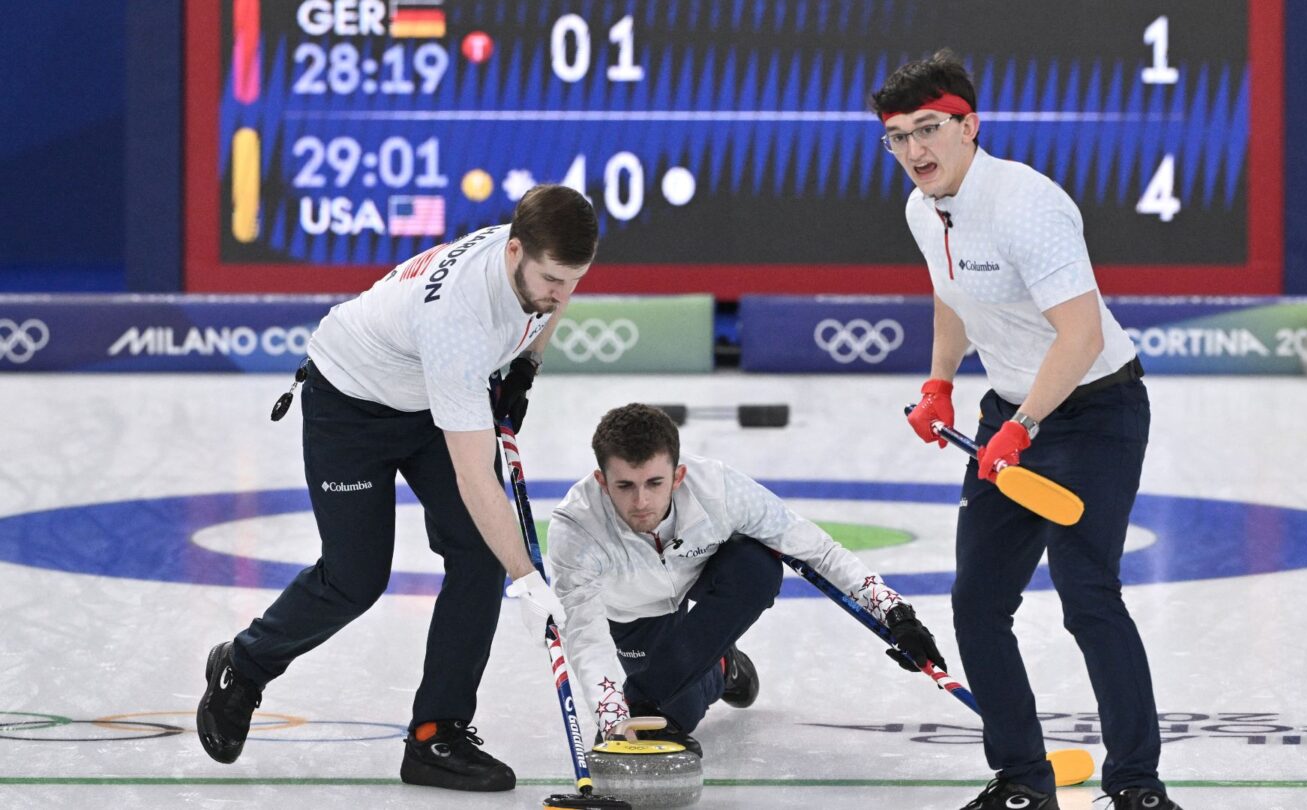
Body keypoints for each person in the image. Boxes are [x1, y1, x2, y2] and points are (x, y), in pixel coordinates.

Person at [195, 184, 599, 793]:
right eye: (551, 280)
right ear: (514, 252)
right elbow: (473, 477)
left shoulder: (536, 260)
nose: (560, 295)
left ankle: (435, 734)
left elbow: (549, 301)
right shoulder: (460, 318)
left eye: (573, 280)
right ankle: (243, 666)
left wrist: (525, 367)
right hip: (350, 403)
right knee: (355, 576)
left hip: (425, 396)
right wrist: (526, 579)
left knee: (478, 555)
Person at [871, 51, 1180, 810]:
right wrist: (941, 382)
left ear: (970, 126)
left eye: (930, 128)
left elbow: (1076, 337)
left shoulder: (1027, 205)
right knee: (977, 602)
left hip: (1097, 410)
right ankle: (1021, 781)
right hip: (1009, 410)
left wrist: (1025, 424)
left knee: (1086, 592)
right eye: (898, 135)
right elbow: (951, 297)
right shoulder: (922, 208)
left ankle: (1137, 786)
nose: (915, 149)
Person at [547, 403, 948, 755]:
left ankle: (680, 671)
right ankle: (723, 668)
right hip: (632, 611)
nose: (641, 502)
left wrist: (894, 611)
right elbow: (584, 630)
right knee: (676, 714)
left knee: (757, 566)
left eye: (655, 483)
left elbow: (816, 549)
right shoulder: (575, 528)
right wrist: (612, 716)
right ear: (602, 482)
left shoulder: (720, 489)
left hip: (704, 575)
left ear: (679, 474)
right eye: (624, 486)